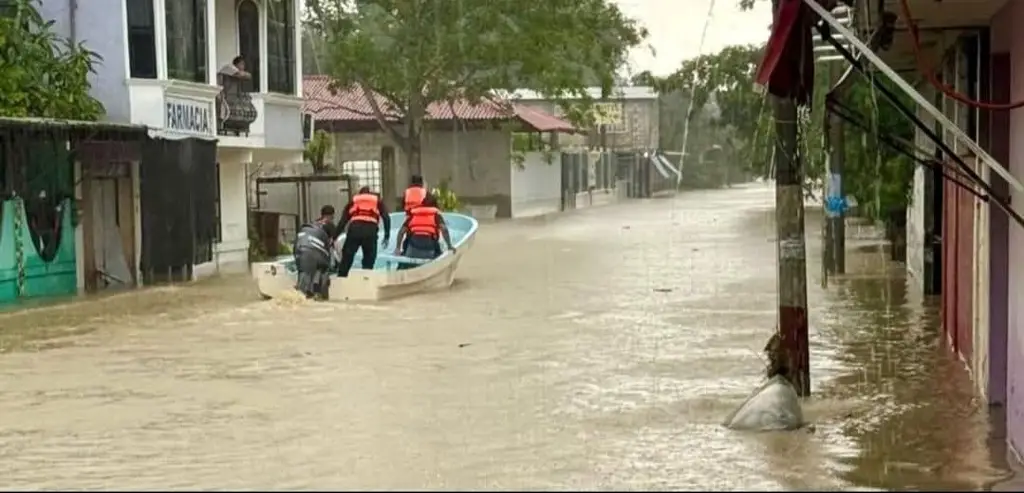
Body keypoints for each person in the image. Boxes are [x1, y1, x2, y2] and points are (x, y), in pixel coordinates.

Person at [336, 186, 391, 277]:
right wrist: (386, 236)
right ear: (370, 193)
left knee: (347, 258)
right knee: (369, 260)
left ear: (359, 194)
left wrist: (334, 236)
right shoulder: (376, 201)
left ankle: (341, 279)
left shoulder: (354, 201)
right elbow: (386, 218)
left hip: (354, 231)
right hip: (370, 232)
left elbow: (343, 221)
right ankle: (366, 279)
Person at [394, 194, 455, 264]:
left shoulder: (413, 215)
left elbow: (401, 232)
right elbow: (444, 229)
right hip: (429, 250)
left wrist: (398, 248)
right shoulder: (436, 216)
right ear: (435, 205)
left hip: (412, 250)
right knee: (439, 250)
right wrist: (449, 246)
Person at [293, 205, 336, 300]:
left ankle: (302, 290)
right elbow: (333, 244)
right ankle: (318, 292)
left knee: (304, 271)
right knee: (325, 266)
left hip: (300, 247)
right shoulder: (330, 225)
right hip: (316, 252)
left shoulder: (313, 223)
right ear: (331, 216)